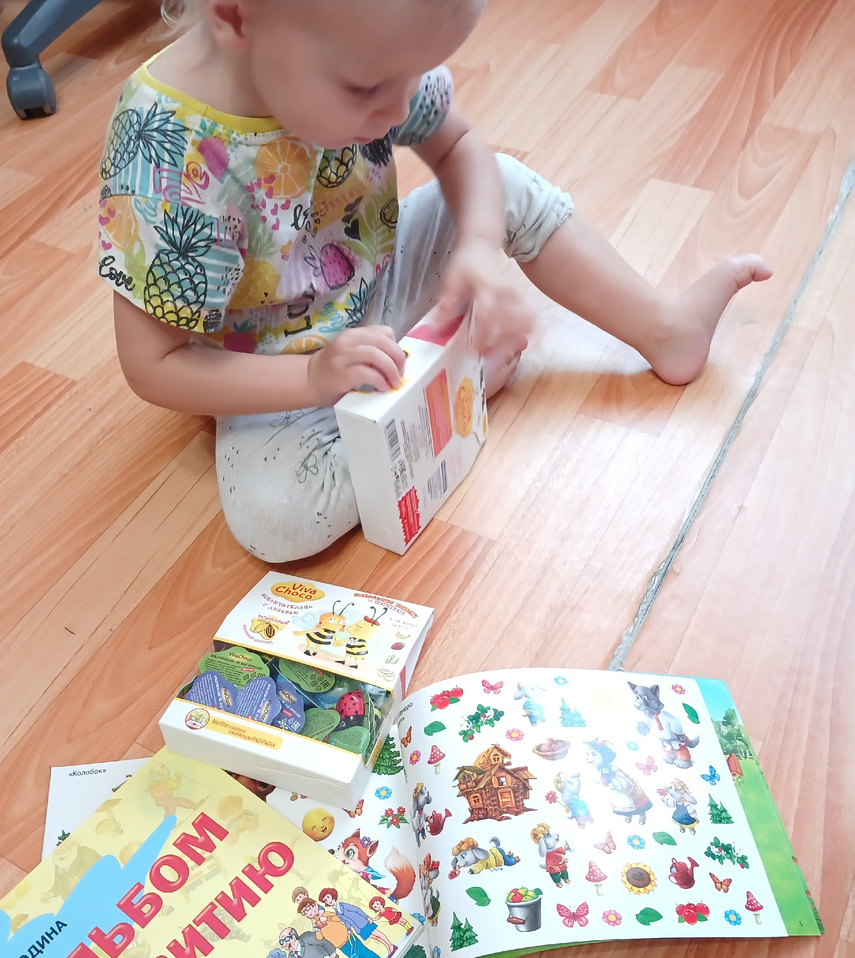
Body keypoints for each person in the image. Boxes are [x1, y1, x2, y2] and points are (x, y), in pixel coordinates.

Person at [98, 0, 771, 562]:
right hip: (272, 372)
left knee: (501, 182)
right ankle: (448, 391)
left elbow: (458, 146)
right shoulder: (166, 159)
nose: (400, 110)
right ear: (236, 16)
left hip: (375, 283)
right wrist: (313, 378)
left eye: (414, 77)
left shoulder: (360, 50)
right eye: (369, 89)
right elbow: (154, 366)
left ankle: (665, 328)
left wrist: (476, 246)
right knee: (275, 519)